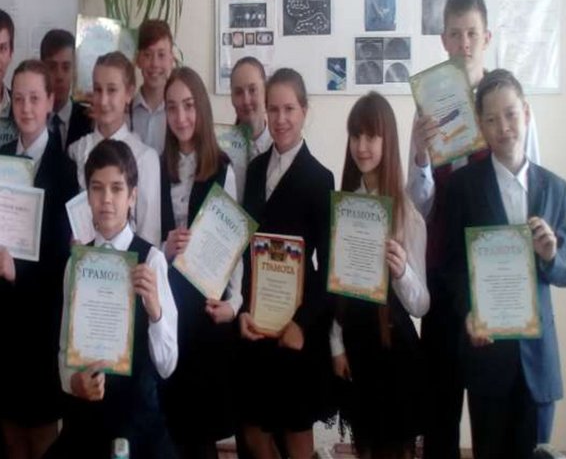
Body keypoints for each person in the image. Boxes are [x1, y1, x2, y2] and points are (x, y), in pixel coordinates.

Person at [406, 0, 542, 458]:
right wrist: (420, 155)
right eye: (455, 34)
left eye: (472, 33)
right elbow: (419, 203)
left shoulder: (508, 106)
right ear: (443, 40)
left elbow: (532, 190)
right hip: (445, 278)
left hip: (497, 280)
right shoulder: (426, 108)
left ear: (487, 38)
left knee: (493, 413)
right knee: (440, 411)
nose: (464, 43)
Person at [446, 70, 566, 459]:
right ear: (480, 126)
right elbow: (452, 268)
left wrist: (550, 255)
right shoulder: (463, 187)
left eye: (511, 114)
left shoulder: (555, 189)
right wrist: (468, 312)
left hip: (539, 362)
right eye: (491, 119)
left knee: (537, 454)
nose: (503, 127)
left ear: (526, 113)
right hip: (488, 358)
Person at [45, 139, 178, 459]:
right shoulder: (77, 263)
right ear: (87, 196)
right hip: (86, 423)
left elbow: (167, 365)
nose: (106, 199)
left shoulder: (152, 260)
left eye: (117, 189)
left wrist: (156, 312)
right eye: (97, 188)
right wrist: (74, 382)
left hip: (138, 424)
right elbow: (64, 349)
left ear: (132, 196)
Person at [236, 68, 335, 459]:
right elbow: (246, 250)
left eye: (289, 109)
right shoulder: (254, 171)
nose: (280, 119)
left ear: (304, 110)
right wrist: (242, 309)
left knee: (296, 436)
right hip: (257, 322)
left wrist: (302, 324)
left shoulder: (320, 178)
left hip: (296, 327)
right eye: (273, 109)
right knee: (254, 432)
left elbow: (328, 267)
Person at [0, 59, 79, 459]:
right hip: (3, 322)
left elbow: (64, 257)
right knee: (9, 436)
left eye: (35, 99)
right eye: (19, 98)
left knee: (41, 437)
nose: (26, 108)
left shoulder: (68, 171)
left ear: (50, 102)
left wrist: (18, 272)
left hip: (42, 322)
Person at [331, 92, 429, 459]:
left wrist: (401, 271)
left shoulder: (407, 213)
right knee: (364, 448)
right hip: (357, 349)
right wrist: (336, 345)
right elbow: (337, 289)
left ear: (387, 140)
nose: (361, 146)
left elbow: (421, 305)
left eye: (371, 136)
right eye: (355, 135)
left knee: (392, 450)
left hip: (395, 353)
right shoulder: (345, 206)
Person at [159, 67, 241, 459]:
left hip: (205, 310)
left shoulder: (223, 168)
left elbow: (236, 244)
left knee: (202, 431)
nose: (181, 117)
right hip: (168, 309)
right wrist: (165, 247)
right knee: (171, 426)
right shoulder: (156, 165)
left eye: (189, 106)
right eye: (172, 107)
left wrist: (235, 303)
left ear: (202, 109)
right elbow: (144, 238)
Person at [68, 51, 163, 247]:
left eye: (112, 90)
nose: (103, 100)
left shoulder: (145, 157)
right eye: (98, 89)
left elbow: (149, 235)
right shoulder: (76, 151)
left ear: (128, 93)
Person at [40, 28, 93, 150]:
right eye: (52, 67)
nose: (59, 76)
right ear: (41, 70)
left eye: (66, 67)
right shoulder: (30, 115)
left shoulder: (89, 121)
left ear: (74, 71)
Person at [229, 56, 273, 201]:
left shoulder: (280, 150)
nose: (246, 100)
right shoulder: (219, 151)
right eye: (238, 92)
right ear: (231, 98)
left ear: (265, 91)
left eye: (253, 90)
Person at [132, 19, 176, 154]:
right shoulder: (124, 111)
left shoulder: (180, 114)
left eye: (161, 55)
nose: (155, 64)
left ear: (171, 59)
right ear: (138, 59)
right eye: (147, 55)